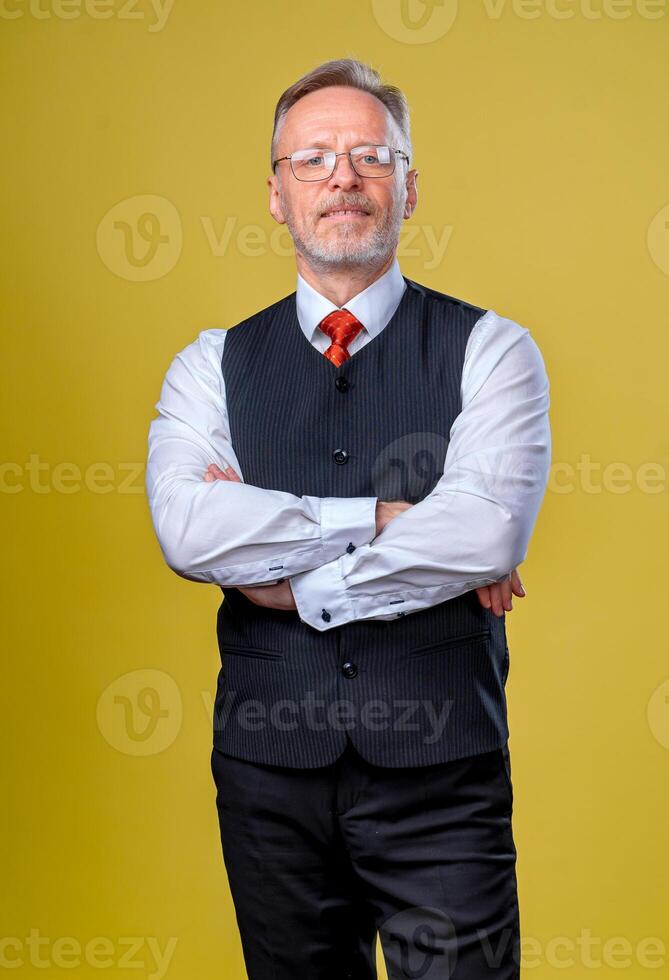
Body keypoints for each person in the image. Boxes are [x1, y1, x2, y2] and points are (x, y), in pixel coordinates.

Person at [146, 58, 551, 980]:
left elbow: (485, 532)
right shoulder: (210, 365)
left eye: (371, 155)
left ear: (409, 189)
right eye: (313, 159)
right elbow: (187, 530)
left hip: (442, 773)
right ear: (277, 196)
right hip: (267, 777)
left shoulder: (492, 350)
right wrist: (384, 518)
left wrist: (293, 584)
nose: (342, 177)